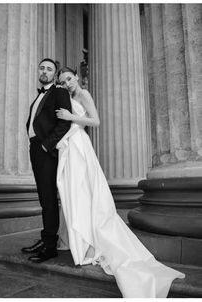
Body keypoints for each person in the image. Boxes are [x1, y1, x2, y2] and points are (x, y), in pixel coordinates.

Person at [54, 67, 185, 298]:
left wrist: (71, 117)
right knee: (76, 193)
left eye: (69, 79)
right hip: (70, 146)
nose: (67, 83)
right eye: (63, 81)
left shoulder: (84, 94)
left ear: (76, 77)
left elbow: (95, 121)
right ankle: (81, 238)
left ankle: (91, 240)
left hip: (81, 146)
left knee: (86, 190)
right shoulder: (68, 97)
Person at [21, 59, 72, 263]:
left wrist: (46, 145)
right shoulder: (40, 94)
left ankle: (50, 246)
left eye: (49, 69)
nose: (44, 71)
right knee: (44, 197)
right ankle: (46, 239)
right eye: (42, 68)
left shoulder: (59, 92)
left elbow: (64, 122)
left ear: (54, 74)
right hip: (36, 148)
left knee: (49, 199)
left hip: (46, 150)